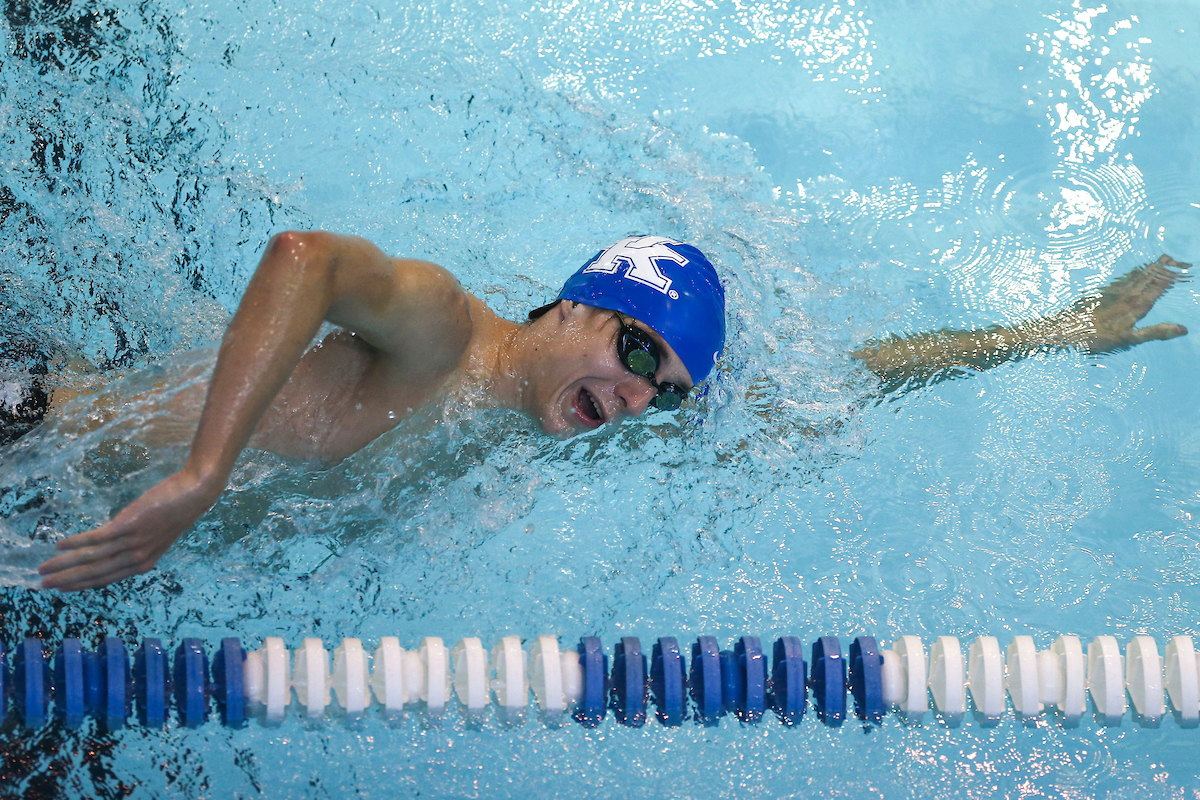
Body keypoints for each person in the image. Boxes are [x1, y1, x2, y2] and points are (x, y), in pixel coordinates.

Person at [29, 232, 1189, 592]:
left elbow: (848, 374)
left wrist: (1045, 333)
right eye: (636, 346)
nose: (635, 393)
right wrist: (202, 473)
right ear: (578, 305)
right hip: (28, 442)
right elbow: (307, 258)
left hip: (92, 546)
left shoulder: (556, 413)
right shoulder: (445, 331)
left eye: (661, 390)